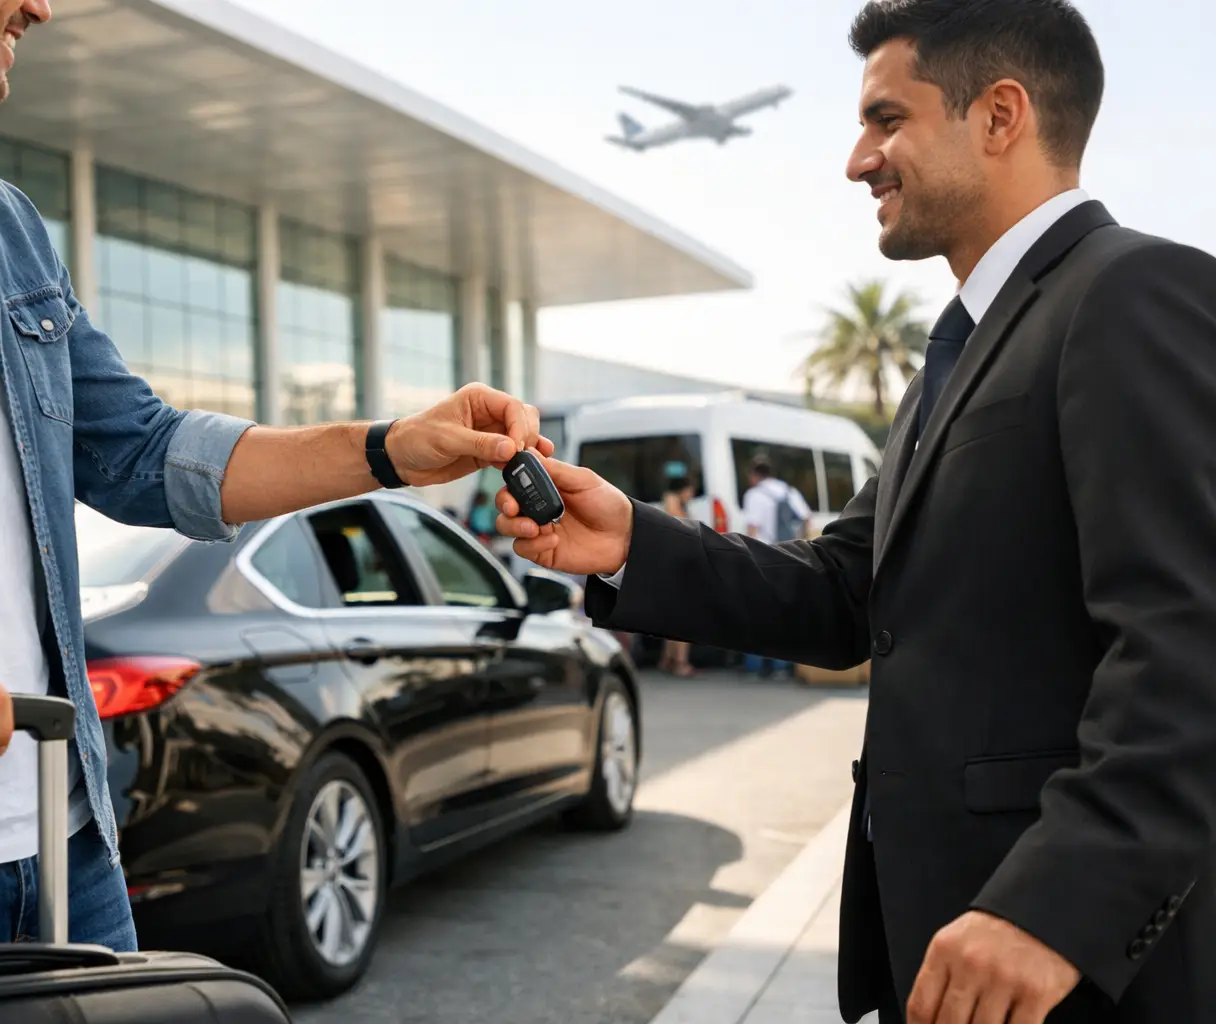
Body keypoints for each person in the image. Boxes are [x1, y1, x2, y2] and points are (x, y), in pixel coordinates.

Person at [0, 2, 549, 1015]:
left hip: (62, 855)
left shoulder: (2, 222)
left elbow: (144, 449)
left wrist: (391, 449)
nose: (43, 4)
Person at [498, 1, 1216, 1021]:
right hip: (939, 944)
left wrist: (1060, 904)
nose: (856, 160)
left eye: (887, 120)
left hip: (1063, 965)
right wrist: (630, 540)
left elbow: (1190, 645)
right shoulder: (959, 352)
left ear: (1000, 116)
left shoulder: (1133, 293)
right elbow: (850, 589)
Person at [738, 459, 812, 680]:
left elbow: (752, 528)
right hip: (786, 556)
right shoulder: (788, 491)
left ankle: (755, 666)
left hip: (761, 557)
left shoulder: (754, 495)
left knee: (756, 612)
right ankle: (782, 666)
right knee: (782, 612)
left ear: (754, 476)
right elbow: (807, 518)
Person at [657, 467, 696, 677]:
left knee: (674, 616)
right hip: (677, 565)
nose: (691, 494)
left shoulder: (672, 501)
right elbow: (680, 525)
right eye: (690, 489)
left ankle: (668, 660)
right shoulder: (672, 501)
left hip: (671, 564)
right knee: (684, 616)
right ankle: (680, 663)